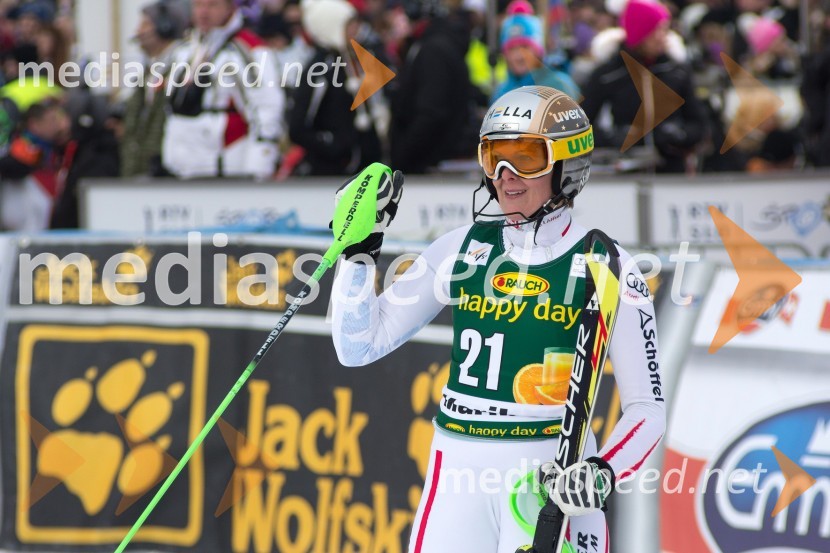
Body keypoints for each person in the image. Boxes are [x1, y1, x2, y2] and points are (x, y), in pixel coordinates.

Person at [330, 86, 666, 552]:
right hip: (458, 468)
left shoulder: (607, 265)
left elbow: (648, 408)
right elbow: (358, 346)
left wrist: (602, 471)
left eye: (526, 157)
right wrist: (358, 254)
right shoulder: (461, 247)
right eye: (493, 156)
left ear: (567, 167)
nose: (505, 176)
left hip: (552, 478)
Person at [162, 0, 285, 179]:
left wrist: (259, 164)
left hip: (227, 167)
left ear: (229, 8)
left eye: (213, 5)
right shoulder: (184, 49)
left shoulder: (248, 50)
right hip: (183, 167)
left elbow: (267, 109)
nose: (204, 12)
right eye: (198, 5)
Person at [581, 0, 707, 173]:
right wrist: (613, 137)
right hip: (625, 174)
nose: (663, 37)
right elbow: (581, 126)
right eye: (657, 30)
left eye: (665, 29)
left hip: (671, 173)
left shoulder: (676, 71)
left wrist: (679, 134)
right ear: (640, 33)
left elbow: (699, 124)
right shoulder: (608, 74)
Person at [121, 0, 189, 177]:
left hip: (164, 174)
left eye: (145, 24)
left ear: (165, 27)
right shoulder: (150, 71)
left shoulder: (181, 68)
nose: (138, 31)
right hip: (143, 172)